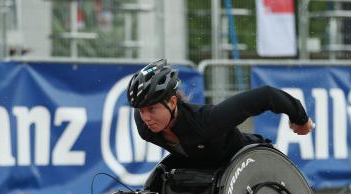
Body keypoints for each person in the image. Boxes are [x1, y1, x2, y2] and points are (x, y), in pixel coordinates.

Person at [128, 59, 314, 181]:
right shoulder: (145, 127)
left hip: (245, 161)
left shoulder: (206, 121)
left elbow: (266, 96)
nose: (145, 118)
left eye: (152, 109)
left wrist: (301, 119)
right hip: (204, 169)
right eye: (141, 110)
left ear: (173, 102)